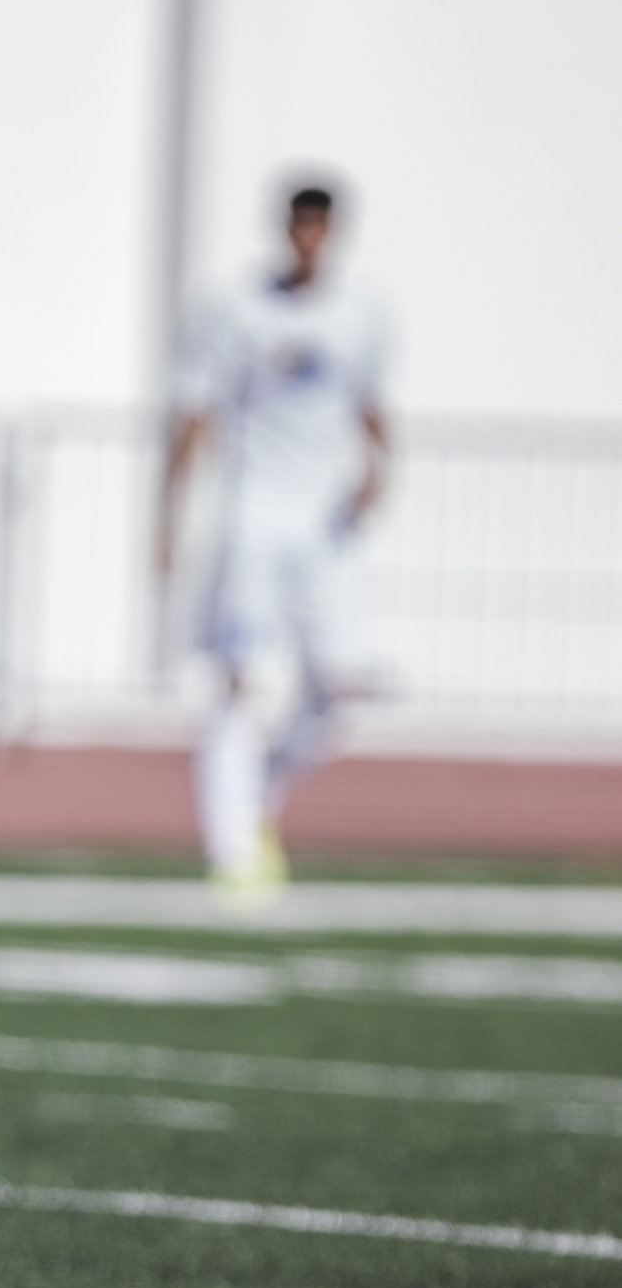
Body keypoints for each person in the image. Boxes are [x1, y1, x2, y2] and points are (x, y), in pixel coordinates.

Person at [160, 181, 391, 902]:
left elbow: (371, 407)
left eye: (321, 228)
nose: (309, 240)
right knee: (240, 678)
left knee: (334, 693)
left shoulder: (362, 314)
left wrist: (379, 474)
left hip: (323, 522)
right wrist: (167, 512)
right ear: (287, 229)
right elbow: (197, 412)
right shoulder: (237, 309)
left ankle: (256, 797)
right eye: (300, 226)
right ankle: (232, 853)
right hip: (251, 512)